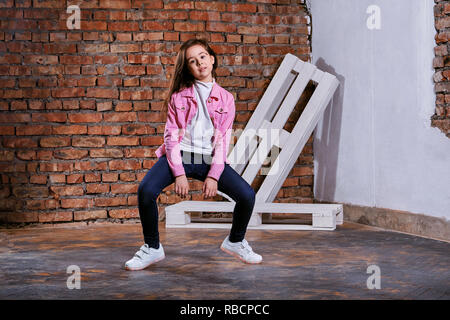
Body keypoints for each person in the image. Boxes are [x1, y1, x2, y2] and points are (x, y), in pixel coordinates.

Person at [124, 38, 262, 271]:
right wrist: (178, 173)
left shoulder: (226, 98)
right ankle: (152, 247)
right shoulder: (179, 96)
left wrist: (214, 175)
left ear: (212, 59)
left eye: (202, 57)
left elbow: (222, 141)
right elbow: (171, 138)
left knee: (247, 195)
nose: (199, 63)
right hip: (180, 154)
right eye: (192, 61)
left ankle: (236, 242)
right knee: (146, 190)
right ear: (187, 68)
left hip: (209, 159)